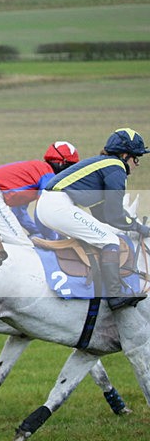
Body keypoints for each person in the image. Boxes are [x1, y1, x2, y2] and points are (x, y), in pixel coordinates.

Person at [36, 128, 150, 311]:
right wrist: (139, 227)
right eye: (136, 158)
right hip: (58, 206)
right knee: (110, 241)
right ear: (124, 154)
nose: (137, 164)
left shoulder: (105, 166)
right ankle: (115, 295)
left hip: (50, 205)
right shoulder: (116, 168)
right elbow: (115, 215)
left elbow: (103, 216)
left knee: (106, 236)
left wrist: (125, 225)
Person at [0, 141, 80, 246]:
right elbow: (41, 215)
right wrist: (53, 239)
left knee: (4, 239)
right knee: (23, 245)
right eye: (71, 167)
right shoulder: (48, 176)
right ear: (61, 164)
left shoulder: (37, 170)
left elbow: (19, 212)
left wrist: (36, 231)